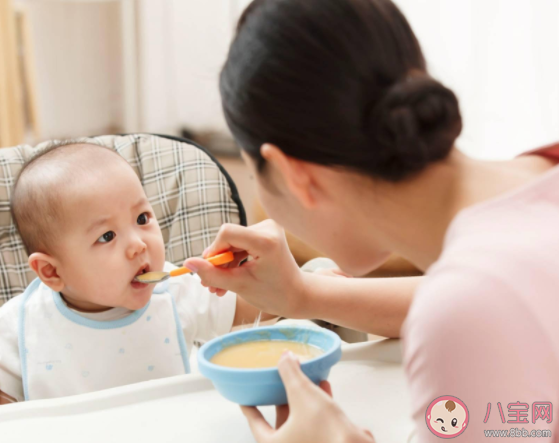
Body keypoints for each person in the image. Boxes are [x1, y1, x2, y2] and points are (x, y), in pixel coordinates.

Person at [184, 0, 559, 441]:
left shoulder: (467, 309)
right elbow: (503, 297)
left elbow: (474, 307)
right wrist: (303, 294)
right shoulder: (537, 184)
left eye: (254, 175)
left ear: (292, 174)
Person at [0, 141, 265, 403]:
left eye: (142, 219)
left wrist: (271, 275)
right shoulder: (22, 322)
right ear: (51, 272)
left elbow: (255, 307)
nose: (138, 244)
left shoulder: (174, 292)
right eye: (107, 236)